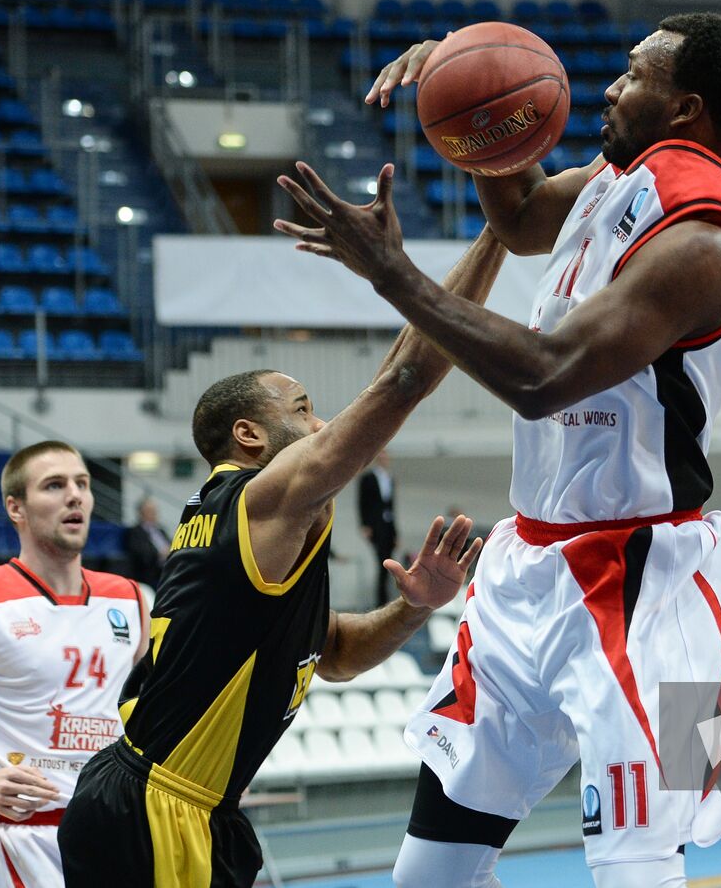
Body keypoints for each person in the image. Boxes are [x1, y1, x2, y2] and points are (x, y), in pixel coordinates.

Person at [277, 13, 721, 888]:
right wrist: (471, 100)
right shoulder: (617, 176)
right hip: (529, 562)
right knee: (427, 877)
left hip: (644, 580)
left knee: (634, 872)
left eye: (633, 75)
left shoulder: (707, 236)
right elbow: (516, 216)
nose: (611, 87)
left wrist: (393, 271)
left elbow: (545, 378)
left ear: (686, 106)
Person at [56, 228, 505, 887]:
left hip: (195, 809)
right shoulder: (256, 504)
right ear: (249, 434)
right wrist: (501, 225)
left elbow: (338, 652)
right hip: (152, 805)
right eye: (304, 408)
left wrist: (413, 607)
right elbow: (402, 381)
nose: (323, 426)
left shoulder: (257, 538)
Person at [0, 440, 148, 887]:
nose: (74, 496)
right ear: (15, 508)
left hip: (124, 828)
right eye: (54, 486)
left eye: (82, 483)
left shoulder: (130, 597)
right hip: (33, 837)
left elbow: (151, 714)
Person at [358, 450, 399, 606]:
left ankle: (384, 599)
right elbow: (362, 502)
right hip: (375, 525)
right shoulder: (367, 478)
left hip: (387, 525)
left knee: (387, 562)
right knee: (381, 561)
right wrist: (365, 524)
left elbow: (392, 507)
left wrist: (395, 532)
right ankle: (381, 601)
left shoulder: (390, 478)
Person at [124, 496, 169, 588]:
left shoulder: (161, 530)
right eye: (150, 511)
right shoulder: (135, 531)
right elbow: (140, 554)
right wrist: (160, 554)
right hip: (151, 573)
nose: (154, 514)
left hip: (169, 569)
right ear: (141, 513)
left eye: (155, 511)